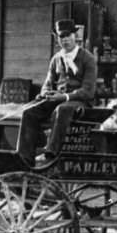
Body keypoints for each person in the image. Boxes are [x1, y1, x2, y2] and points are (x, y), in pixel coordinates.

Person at [18, 18, 97, 166]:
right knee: (28, 112)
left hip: (79, 102)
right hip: (57, 99)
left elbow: (88, 91)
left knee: (62, 109)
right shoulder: (56, 59)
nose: (65, 39)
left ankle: (50, 153)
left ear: (76, 36)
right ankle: (25, 158)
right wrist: (46, 93)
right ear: (57, 38)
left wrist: (65, 96)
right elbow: (48, 84)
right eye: (62, 36)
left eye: (68, 35)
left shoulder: (88, 58)